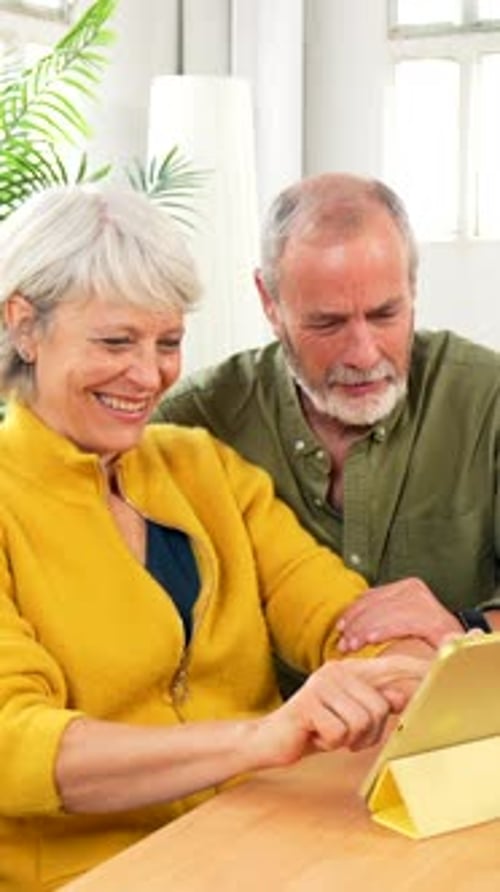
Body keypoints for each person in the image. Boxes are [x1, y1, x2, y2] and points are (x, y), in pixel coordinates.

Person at [0, 185, 431, 892]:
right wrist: (260, 738)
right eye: (115, 341)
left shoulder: (202, 467)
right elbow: (15, 748)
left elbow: (340, 616)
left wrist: (405, 669)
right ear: (25, 325)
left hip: (254, 849)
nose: (148, 375)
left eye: (167, 342)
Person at [157, 173, 500, 671]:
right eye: (328, 323)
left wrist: (466, 626)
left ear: (413, 288)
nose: (363, 355)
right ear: (269, 302)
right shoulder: (194, 424)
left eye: (385, 315)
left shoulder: (486, 398)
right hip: (262, 741)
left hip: (446, 740)